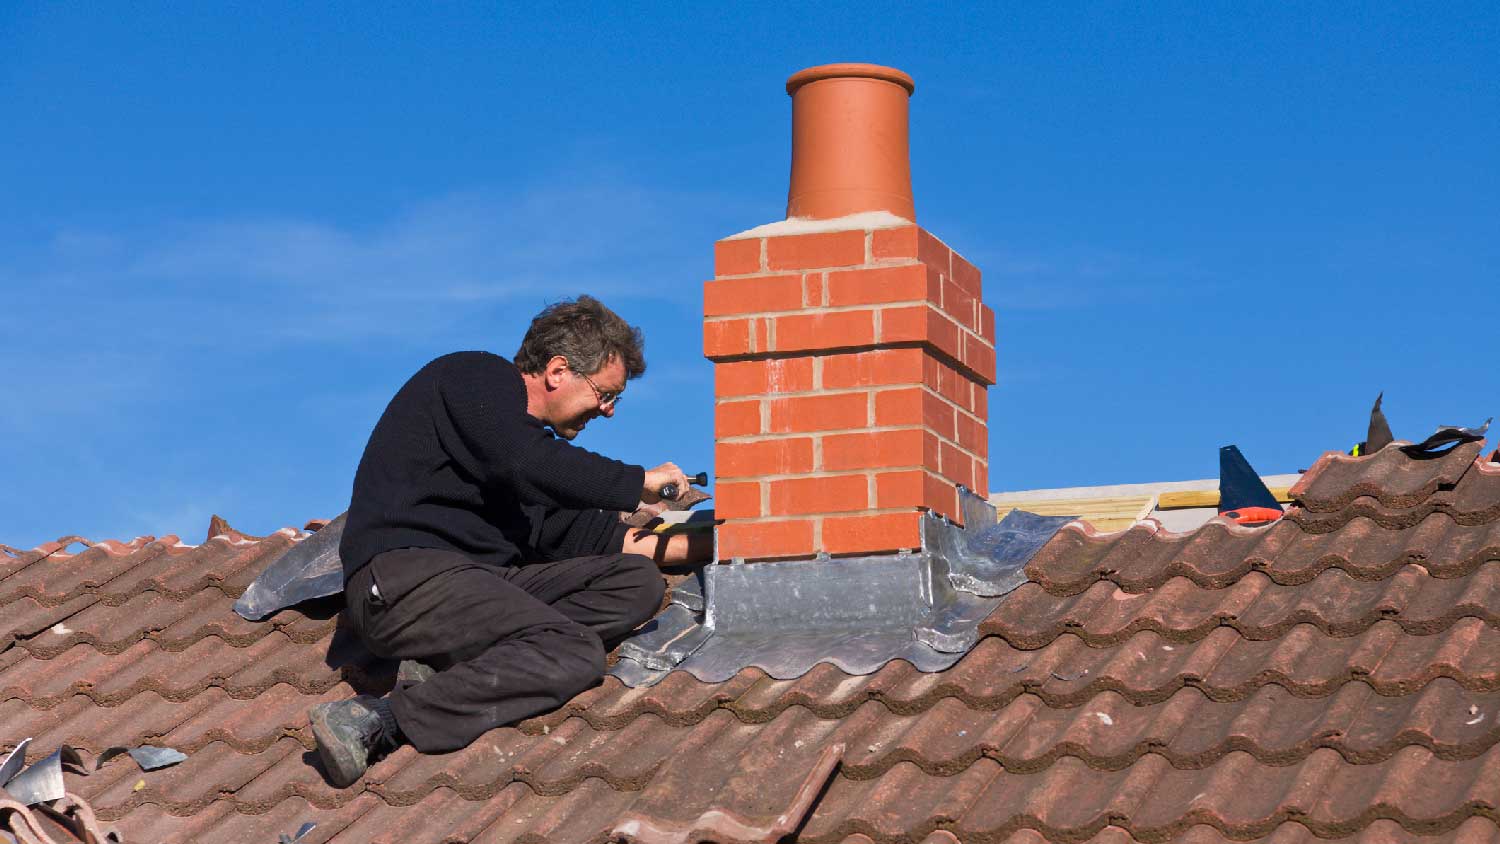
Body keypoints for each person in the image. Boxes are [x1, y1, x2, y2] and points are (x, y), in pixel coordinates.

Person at [310, 295, 710, 787]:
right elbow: (526, 462)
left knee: (635, 582)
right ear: (558, 370)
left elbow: (589, 535)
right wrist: (639, 482)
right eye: (606, 394)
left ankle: (455, 664)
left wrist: (715, 542)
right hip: (405, 580)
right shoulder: (473, 378)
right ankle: (380, 721)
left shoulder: (522, 462)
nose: (607, 412)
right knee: (575, 652)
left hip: (482, 585)